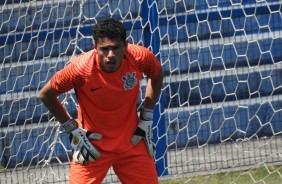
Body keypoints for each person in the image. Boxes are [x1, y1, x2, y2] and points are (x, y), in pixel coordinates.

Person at [40, 18, 163, 184]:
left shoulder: (140, 57)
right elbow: (46, 94)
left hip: (132, 142)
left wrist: (147, 115)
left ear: (125, 46)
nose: (110, 55)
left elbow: (157, 74)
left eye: (115, 48)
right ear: (94, 47)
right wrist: (70, 128)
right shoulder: (80, 69)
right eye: (104, 49)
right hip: (91, 146)